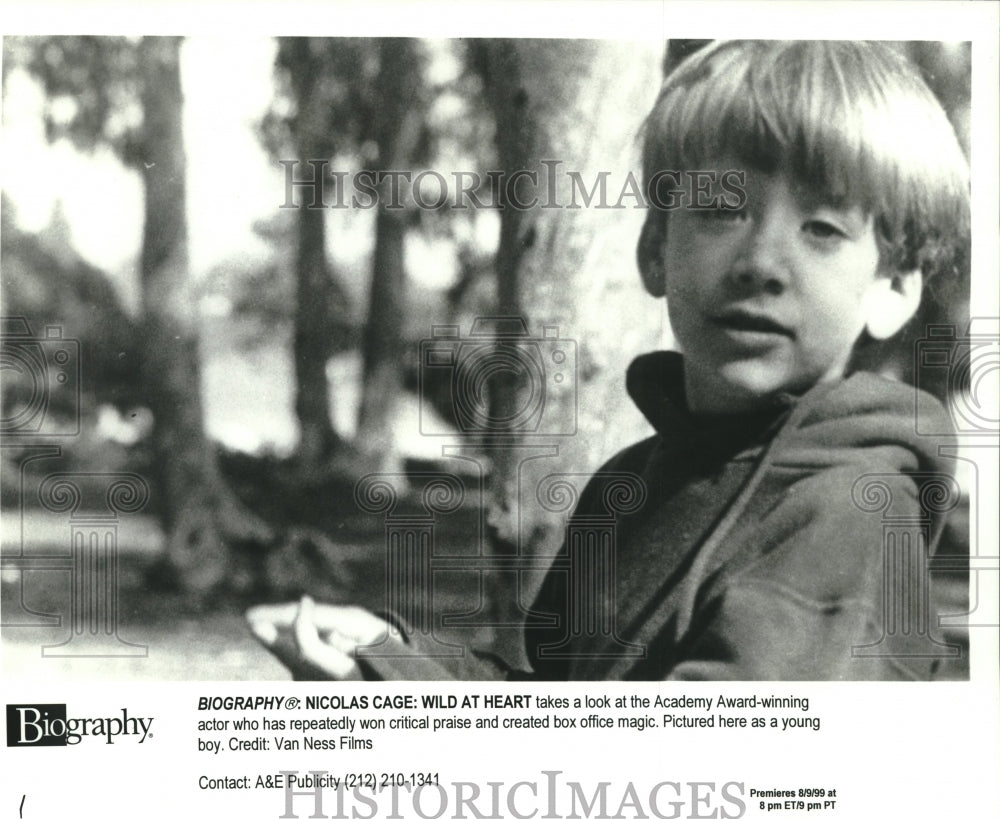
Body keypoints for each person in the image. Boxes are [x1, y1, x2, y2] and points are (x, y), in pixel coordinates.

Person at [247, 40, 970, 681]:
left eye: (821, 229)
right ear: (656, 249)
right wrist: (390, 661)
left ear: (895, 285)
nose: (760, 263)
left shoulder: (848, 511)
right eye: (722, 210)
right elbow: (571, 712)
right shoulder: (629, 486)